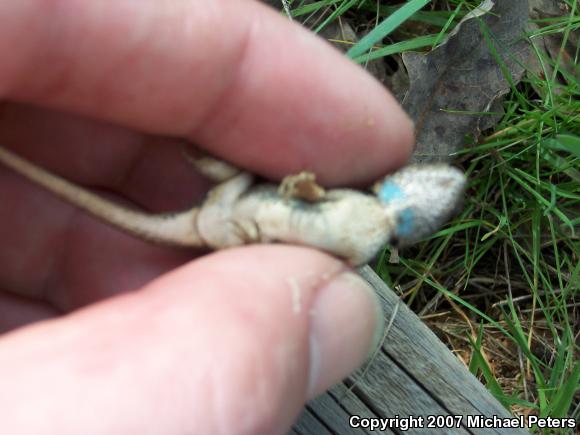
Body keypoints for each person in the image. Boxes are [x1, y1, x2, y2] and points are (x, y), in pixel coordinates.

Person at [0, 1, 413, 433]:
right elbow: (313, 197)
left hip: (234, 226)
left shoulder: (357, 240)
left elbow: (314, 218)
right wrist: (300, 189)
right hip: (234, 216)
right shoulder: (355, 218)